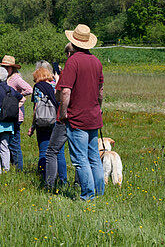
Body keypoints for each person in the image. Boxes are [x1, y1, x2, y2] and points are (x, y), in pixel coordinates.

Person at [45, 25, 105, 200]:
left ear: (74, 41)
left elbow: (65, 91)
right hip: (94, 116)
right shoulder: (96, 61)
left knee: (80, 159)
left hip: (77, 117)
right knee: (94, 156)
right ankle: (99, 193)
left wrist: (63, 113)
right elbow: (101, 90)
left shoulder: (73, 61)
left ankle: (88, 195)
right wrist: (99, 107)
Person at [28, 65, 68, 184]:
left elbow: (36, 108)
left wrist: (33, 125)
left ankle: (46, 178)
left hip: (43, 122)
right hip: (57, 120)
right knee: (59, 152)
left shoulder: (38, 87)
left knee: (44, 150)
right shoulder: (55, 84)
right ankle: (62, 180)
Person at [0, 55, 32, 171]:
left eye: (8, 67)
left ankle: (18, 168)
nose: (5, 69)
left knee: (14, 143)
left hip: (15, 114)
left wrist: (16, 99)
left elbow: (29, 89)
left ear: (12, 68)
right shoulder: (9, 78)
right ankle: (13, 165)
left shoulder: (15, 78)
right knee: (10, 141)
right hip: (10, 114)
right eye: (4, 67)